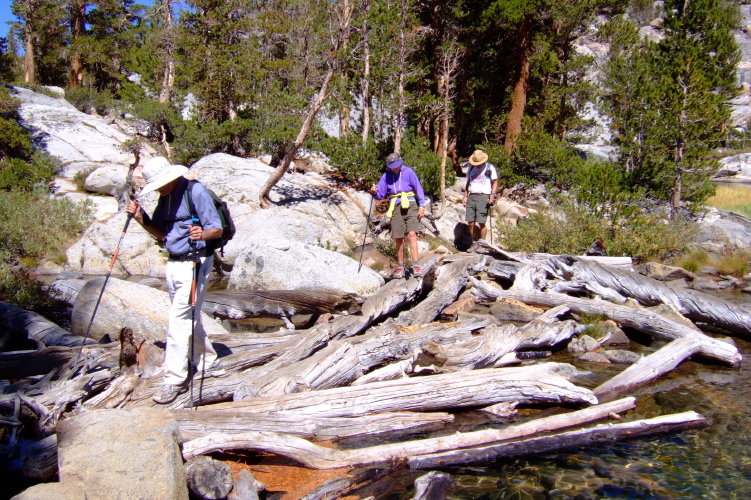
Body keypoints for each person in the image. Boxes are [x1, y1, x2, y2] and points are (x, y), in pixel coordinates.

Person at [126, 156, 225, 404]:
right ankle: (208, 361)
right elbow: (162, 233)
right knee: (188, 316)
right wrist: (142, 219)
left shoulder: (195, 191)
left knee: (179, 320)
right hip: (174, 263)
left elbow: (217, 229)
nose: (158, 188)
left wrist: (203, 233)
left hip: (195, 264)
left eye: (160, 183)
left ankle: (174, 380)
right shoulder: (165, 197)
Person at [372, 153, 427, 278]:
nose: (395, 168)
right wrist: (374, 192)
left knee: (412, 234)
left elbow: (418, 188)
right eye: (393, 166)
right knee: (398, 237)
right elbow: (380, 195)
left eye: (397, 165)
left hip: (410, 204)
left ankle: (416, 265)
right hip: (395, 206)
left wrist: (422, 206)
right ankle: (400, 267)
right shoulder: (386, 176)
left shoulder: (409, 172)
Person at [462, 149, 498, 248]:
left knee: (481, 221)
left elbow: (494, 182)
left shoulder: (489, 167)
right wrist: (465, 196)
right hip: (472, 196)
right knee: (470, 222)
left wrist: (492, 195)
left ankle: (482, 243)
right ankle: (473, 242)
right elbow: (468, 182)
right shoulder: (471, 167)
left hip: (483, 196)